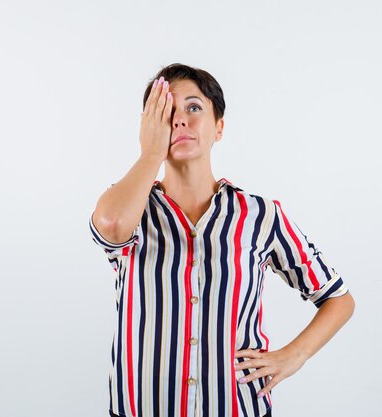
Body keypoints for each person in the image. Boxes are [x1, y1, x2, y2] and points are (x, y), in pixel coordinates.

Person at [88, 63, 355, 417]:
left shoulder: (261, 216)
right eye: (167, 111)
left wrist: (295, 355)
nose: (179, 120)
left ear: (219, 127)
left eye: (193, 107)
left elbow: (338, 298)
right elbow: (110, 223)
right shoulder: (131, 208)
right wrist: (151, 153)